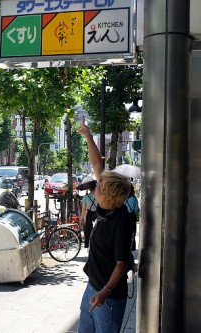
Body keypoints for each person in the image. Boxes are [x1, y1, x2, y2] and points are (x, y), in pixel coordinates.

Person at [77, 117, 133, 333]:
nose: (95, 185)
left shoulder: (121, 222)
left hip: (107, 296)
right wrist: (88, 136)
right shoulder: (108, 208)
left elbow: (121, 264)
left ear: (107, 195)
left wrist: (104, 292)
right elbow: (97, 165)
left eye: (99, 185)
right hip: (93, 286)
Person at [80, 180, 98, 248]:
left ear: (89, 188)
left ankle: (88, 245)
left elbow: (83, 210)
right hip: (98, 214)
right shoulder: (99, 195)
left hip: (90, 215)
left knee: (88, 231)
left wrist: (81, 219)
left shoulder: (86, 197)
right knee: (97, 231)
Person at [125, 184, 139, 251]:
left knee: (124, 231)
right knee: (133, 232)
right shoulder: (134, 198)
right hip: (132, 217)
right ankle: (132, 246)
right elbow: (136, 209)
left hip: (124, 216)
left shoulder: (123, 197)